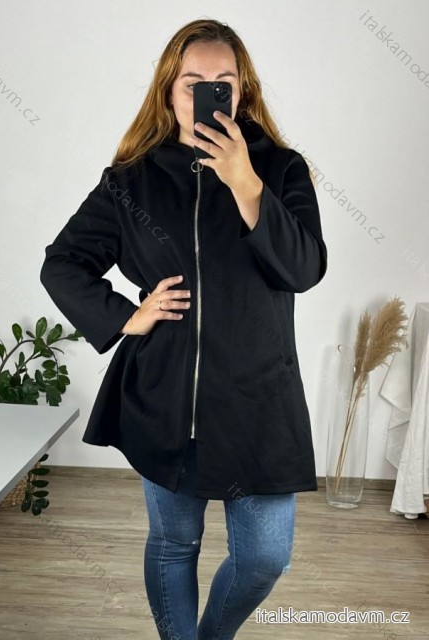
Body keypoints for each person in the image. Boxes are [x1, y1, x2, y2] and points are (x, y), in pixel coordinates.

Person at [40, 17, 327, 640]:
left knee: (264, 557)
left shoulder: (281, 170)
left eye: (223, 81)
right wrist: (127, 315)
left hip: (259, 400)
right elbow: (62, 263)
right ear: (169, 91)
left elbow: (305, 269)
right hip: (166, 398)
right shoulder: (132, 180)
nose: (207, 92)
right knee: (174, 545)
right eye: (193, 81)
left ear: (242, 91)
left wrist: (245, 182)